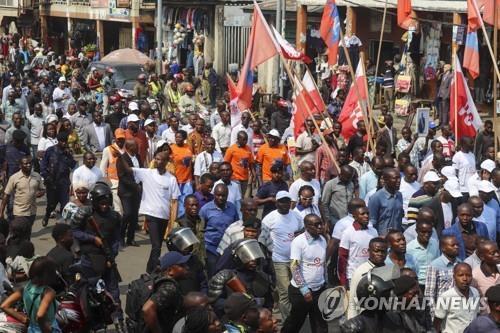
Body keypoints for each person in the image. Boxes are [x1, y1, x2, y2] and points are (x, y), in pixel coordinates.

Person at [127, 151, 180, 273]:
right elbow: (129, 169)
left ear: (167, 162)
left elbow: (175, 201)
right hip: (151, 215)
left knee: (159, 246)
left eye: (161, 159)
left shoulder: (171, 179)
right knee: (156, 245)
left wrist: (174, 220)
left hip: (164, 216)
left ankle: (150, 267)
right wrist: (122, 156)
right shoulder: (147, 173)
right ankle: (151, 271)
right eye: (156, 159)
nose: (158, 161)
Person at [259, 191, 303, 321]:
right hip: (278, 260)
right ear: (277, 203)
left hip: (295, 260)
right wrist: (268, 252)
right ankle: (288, 321)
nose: (285, 204)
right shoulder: (269, 218)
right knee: (285, 290)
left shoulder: (296, 215)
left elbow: (302, 230)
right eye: (282, 201)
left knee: (296, 287)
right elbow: (262, 238)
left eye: (287, 201)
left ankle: (290, 312)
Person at [281, 214, 329, 333]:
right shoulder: (299, 242)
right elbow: (294, 266)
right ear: (307, 226)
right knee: (295, 322)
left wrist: (325, 283)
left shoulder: (323, 239)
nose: (320, 227)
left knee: (320, 324)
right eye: (316, 224)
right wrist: (304, 289)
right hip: (301, 292)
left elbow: (322, 264)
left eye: (320, 223)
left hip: (319, 289)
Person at [0, 257, 60, 332]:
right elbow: (40, 315)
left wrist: (24, 320)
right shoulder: (48, 292)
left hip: (32, 329)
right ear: (48, 275)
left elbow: (4, 306)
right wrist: (47, 330)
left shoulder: (24, 289)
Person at [142, 252, 188, 333]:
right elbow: (147, 309)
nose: (187, 267)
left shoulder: (160, 277)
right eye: (182, 265)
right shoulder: (169, 288)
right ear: (170, 270)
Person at [200, 183, 239, 279]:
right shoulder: (206, 209)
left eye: (223, 195)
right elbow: (200, 229)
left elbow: (236, 225)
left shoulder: (232, 208)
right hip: (211, 248)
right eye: (218, 195)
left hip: (227, 248)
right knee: (213, 273)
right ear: (214, 195)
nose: (221, 198)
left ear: (227, 195)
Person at [346, 237, 389, 319]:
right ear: (369, 251)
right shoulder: (361, 272)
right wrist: (351, 321)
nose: (379, 254)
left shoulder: (388, 270)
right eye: (376, 251)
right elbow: (353, 301)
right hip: (366, 317)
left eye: (383, 251)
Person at [40, 131, 76, 227]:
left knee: (65, 205)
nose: (64, 143)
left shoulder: (67, 153)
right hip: (51, 182)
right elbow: (43, 165)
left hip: (63, 183)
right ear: (58, 141)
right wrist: (46, 176)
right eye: (62, 141)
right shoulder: (50, 151)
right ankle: (47, 215)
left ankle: (62, 225)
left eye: (65, 141)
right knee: (51, 204)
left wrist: (69, 155)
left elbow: (73, 165)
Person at [434, 263, 480, 333]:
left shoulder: (475, 292)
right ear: (454, 277)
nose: (465, 279)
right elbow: (437, 322)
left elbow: (476, 315)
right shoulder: (446, 297)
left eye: (468, 275)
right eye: (461, 275)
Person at [338, 206, 379, 287]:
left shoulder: (373, 231)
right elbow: (342, 258)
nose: (366, 216)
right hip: (354, 276)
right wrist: (343, 281)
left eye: (367, 213)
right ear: (354, 217)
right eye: (362, 214)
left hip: (371, 275)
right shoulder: (348, 232)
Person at [0, 156, 45, 229]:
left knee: (28, 232)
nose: (28, 165)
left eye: (30, 163)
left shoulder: (37, 176)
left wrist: (41, 193)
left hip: (32, 212)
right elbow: (6, 195)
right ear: (20, 166)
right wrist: (1, 213)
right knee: (19, 233)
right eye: (26, 164)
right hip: (19, 212)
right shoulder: (14, 178)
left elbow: (42, 189)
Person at [424, 235, 461, 320]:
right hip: (442, 311)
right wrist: (434, 316)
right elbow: (429, 294)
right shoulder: (434, 266)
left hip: (458, 311)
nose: (456, 247)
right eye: (453, 245)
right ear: (443, 248)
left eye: (457, 245)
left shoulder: (460, 264)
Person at [117, 140, 143, 247]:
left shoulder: (138, 156)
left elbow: (141, 170)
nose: (137, 146)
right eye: (135, 145)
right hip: (126, 191)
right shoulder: (122, 159)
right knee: (127, 214)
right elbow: (122, 177)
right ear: (128, 147)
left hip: (136, 191)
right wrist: (135, 186)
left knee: (134, 216)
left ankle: (131, 239)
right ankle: (121, 236)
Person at [407, 218, 441, 290]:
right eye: (423, 232)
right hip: (417, 284)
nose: (426, 235)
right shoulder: (409, 248)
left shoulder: (435, 243)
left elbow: (438, 263)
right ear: (417, 231)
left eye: (429, 232)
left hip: (433, 283)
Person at [368, 168, 404, 235]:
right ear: (386, 180)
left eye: (399, 178)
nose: (398, 181)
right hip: (382, 238)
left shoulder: (399, 195)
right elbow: (372, 222)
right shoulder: (376, 197)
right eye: (395, 178)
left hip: (396, 237)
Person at [100, 128, 125, 214]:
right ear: (115, 138)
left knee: (126, 209)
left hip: (126, 184)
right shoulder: (108, 150)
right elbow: (103, 168)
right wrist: (107, 183)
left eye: (122, 139)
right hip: (114, 184)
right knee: (118, 209)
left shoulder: (127, 149)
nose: (121, 141)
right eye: (119, 139)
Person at [170, 130, 194, 217]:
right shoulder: (171, 148)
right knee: (178, 201)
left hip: (187, 179)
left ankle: (186, 220)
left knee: (187, 200)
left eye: (179, 137)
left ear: (184, 138)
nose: (177, 139)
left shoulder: (188, 147)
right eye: (176, 137)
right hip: (177, 179)